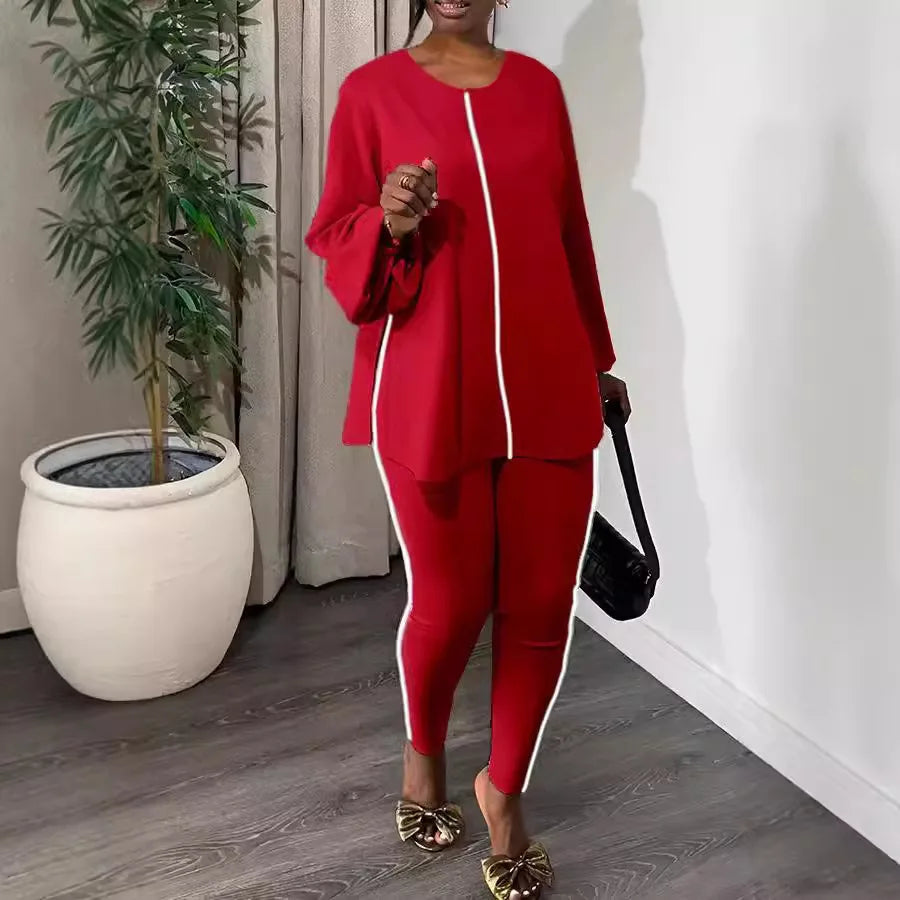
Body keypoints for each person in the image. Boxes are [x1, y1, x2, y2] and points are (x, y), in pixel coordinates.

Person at [305, 1, 629, 896]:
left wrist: (597, 360)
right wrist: (390, 222)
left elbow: (569, 234)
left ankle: (504, 792)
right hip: (428, 386)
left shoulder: (539, 92)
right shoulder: (371, 93)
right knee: (449, 604)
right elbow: (335, 236)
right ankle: (423, 755)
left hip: (547, 383)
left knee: (540, 606)